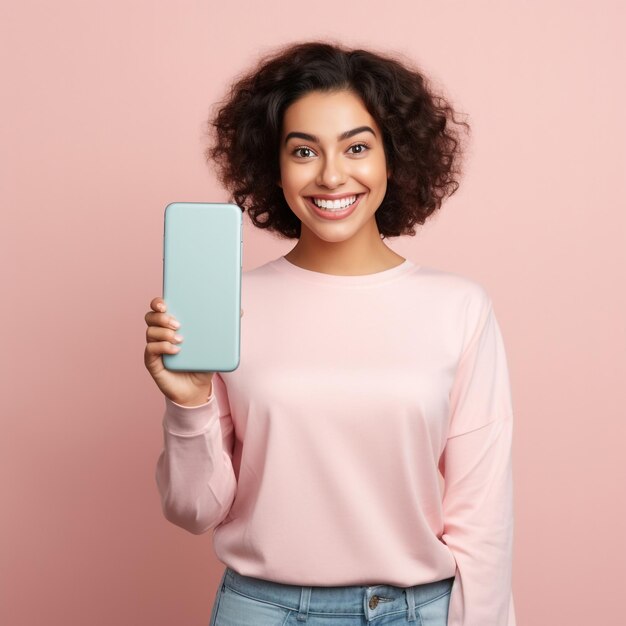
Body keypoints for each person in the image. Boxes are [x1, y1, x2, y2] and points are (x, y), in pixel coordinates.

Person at [144, 41, 516, 626]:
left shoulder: (459, 308)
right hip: (261, 609)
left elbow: (484, 518)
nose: (331, 175)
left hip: (417, 612)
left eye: (357, 148)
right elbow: (194, 510)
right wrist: (188, 404)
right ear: (274, 165)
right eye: (303, 151)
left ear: (395, 158)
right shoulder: (230, 305)